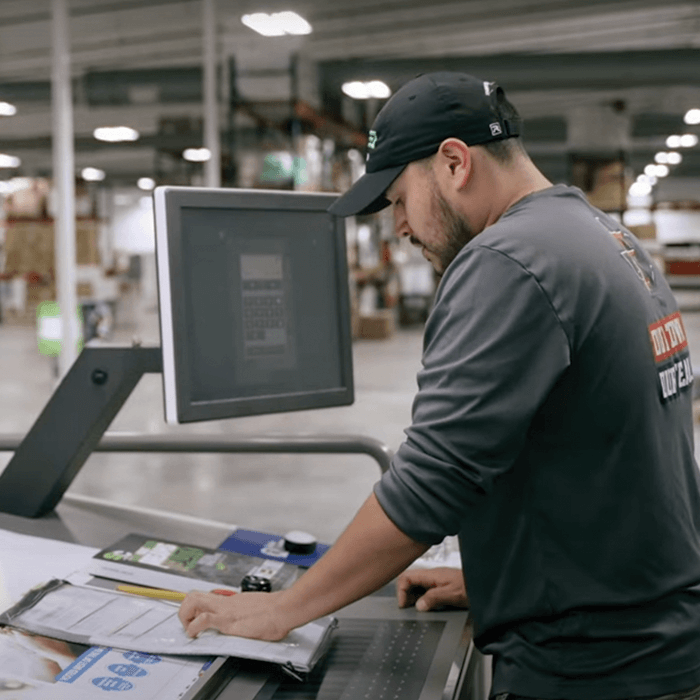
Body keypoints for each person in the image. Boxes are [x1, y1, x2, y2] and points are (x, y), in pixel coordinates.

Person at [179, 72, 700, 698]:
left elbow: (434, 478)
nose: (398, 225)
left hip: (592, 668)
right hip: (652, 636)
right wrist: (500, 577)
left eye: (399, 198)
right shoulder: (601, 235)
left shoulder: (507, 261)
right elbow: (608, 445)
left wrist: (282, 609)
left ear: (454, 162)